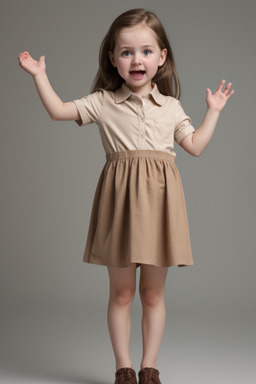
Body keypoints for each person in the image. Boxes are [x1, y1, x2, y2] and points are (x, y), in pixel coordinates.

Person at [18, 8, 234, 384]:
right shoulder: (103, 101)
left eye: (147, 51)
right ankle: (124, 368)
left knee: (152, 294)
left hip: (162, 207)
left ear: (162, 57)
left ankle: (150, 366)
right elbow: (58, 111)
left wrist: (212, 112)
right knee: (120, 295)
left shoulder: (171, 107)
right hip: (119, 206)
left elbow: (195, 146)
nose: (137, 60)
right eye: (127, 52)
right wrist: (40, 76)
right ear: (113, 59)